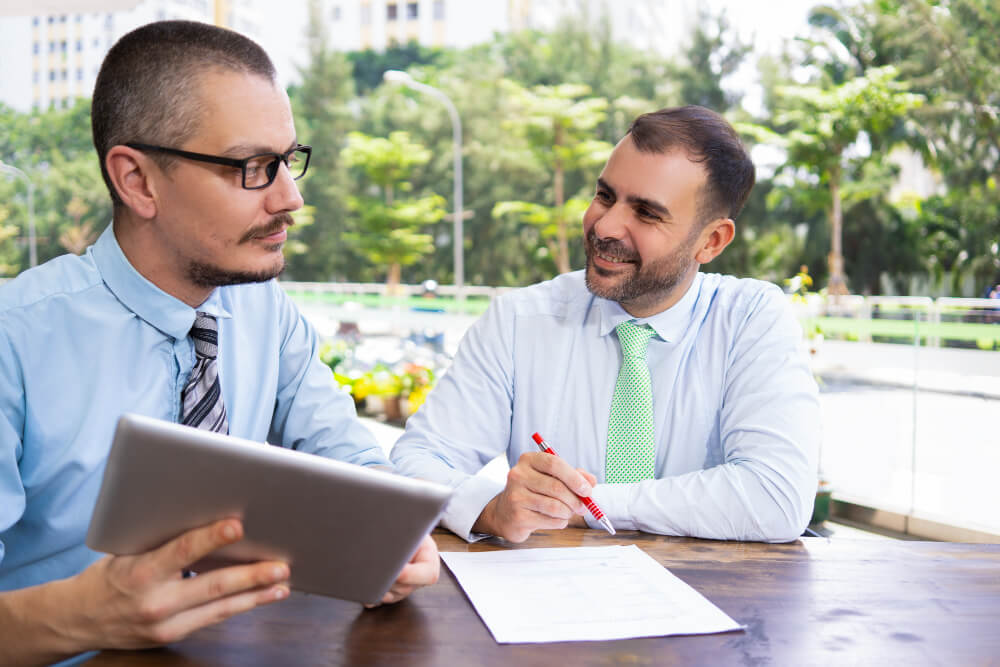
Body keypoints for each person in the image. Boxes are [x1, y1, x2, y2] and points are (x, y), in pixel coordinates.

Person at [0, 21, 438, 666]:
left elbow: (354, 464)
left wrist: (395, 537)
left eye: (288, 160)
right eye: (253, 168)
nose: (291, 198)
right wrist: (82, 615)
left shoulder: (267, 312)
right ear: (137, 181)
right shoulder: (15, 340)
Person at [392, 106, 820, 545]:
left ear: (711, 241)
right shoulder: (519, 322)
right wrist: (490, 509)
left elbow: (776, 498)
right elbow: (415, 462)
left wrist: (589, 505)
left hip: (707, 586)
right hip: (551, 583)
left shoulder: (750, 320)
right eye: (605, 196)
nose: (607, 226)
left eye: (647, 213)